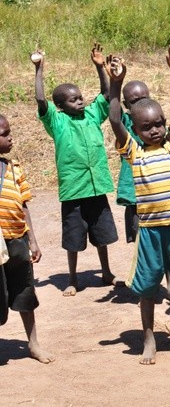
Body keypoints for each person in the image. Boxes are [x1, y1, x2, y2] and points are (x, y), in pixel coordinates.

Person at [108, 45, 170, 364]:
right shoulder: (134, 153)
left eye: (159, 123)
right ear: (135, 130)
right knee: (148, 288)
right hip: (150, 232)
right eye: (147, 127)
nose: (155, 129)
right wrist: (115, 83)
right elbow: (114, 119)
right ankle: (149, 339)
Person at [33, 44, 119, 297]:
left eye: (81, 97)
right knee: (73, 238)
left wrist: (99, 67)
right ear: (60, 106)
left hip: (96, 186)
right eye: (73, 99)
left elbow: (105, 93)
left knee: (101, 234)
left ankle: (106, 271)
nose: (80, 101)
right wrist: (39, 70)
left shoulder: (92, 115)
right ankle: (72, 278)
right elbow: (40, 100)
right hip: (73, 190)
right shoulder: (57, 122)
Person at [0, 114, 54, 363]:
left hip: (17, 241)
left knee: (25, 292)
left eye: (9, 131)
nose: (10, 137)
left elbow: (23, 206)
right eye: (4, 134)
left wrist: (32, 240)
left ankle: (33, 344)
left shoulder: (14, 169)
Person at [115, 80, 150, 244]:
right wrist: (115, 81)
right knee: (140, 237)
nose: (140, 104)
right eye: (134, 101)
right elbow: (114, 117)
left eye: (144, 98)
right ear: (126, 104)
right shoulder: (126, 123)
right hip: (134, 189)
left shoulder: (155, 121)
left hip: (156, 187)